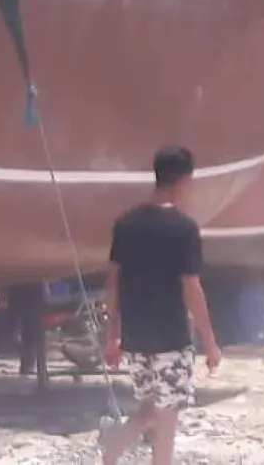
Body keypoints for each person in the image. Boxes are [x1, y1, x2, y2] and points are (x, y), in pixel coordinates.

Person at [99, 146, 222, 465]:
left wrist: (113, 334)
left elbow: (112, 282)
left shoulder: (126, 224)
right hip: (171, 336)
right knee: (166, 422)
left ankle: (112, 451)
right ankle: (113, 451)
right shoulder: (184, 228)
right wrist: (210, 342)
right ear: (184, 180)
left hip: (136, 338)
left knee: (150, 409)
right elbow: (192, 288)